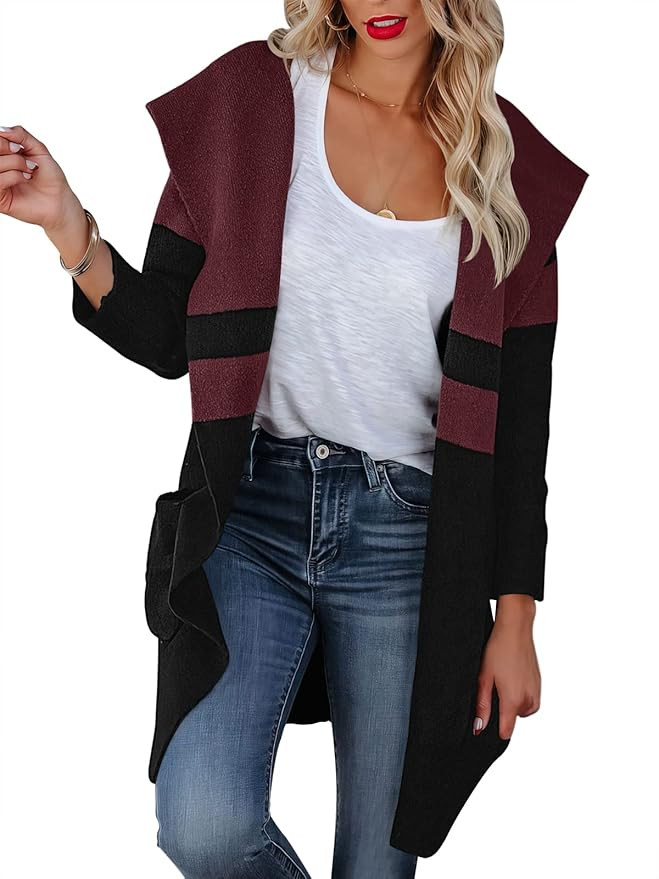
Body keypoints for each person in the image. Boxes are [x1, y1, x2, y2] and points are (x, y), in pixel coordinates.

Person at [0, 1, 589, 876]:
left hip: (407, 543)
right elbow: (169, 338)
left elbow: (519, 428)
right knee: (204, 824)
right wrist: (67, 227)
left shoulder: (508, 170)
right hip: (250, 514)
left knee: (377, 864)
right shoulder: (252, 103)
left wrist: (516, 617)